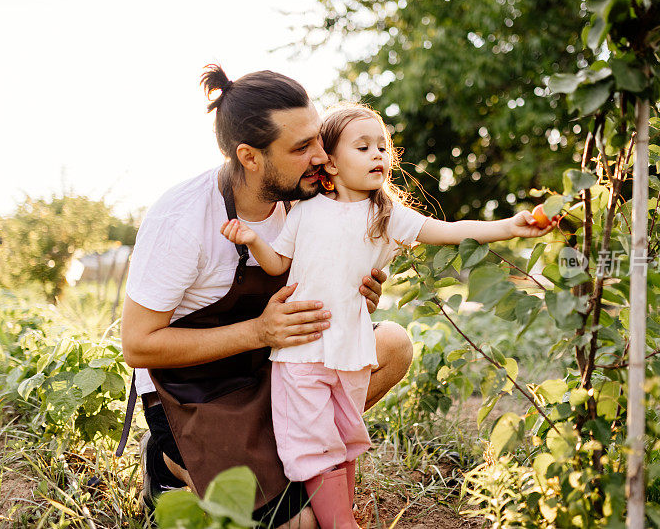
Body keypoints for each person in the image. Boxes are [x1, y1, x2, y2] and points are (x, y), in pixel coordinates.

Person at [219, 104, 558, 528]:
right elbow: (277, 264)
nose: (378, 154)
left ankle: (343, 516)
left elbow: (451, 231)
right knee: (314, 444)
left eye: (383, 145)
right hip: (302, 352)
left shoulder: (386, 215)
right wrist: (252, 240)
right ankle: (341, 523)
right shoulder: (305, 211)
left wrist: (510, 226)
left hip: (352, 351)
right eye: (362, 147)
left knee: (343, 437)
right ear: (331, 162)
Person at [120, 67, 414, 529]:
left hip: (275, 367)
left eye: (318, 138)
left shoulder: (311, 200)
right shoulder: (182, 219)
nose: (322, 157)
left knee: (392, 344)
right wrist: (259, 330)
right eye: (301, 148)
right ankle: (167, 465)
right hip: (196, 393)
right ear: (250, 157)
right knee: (303, 526)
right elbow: (137, 345)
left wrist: (353, 295)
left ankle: (296, 462)